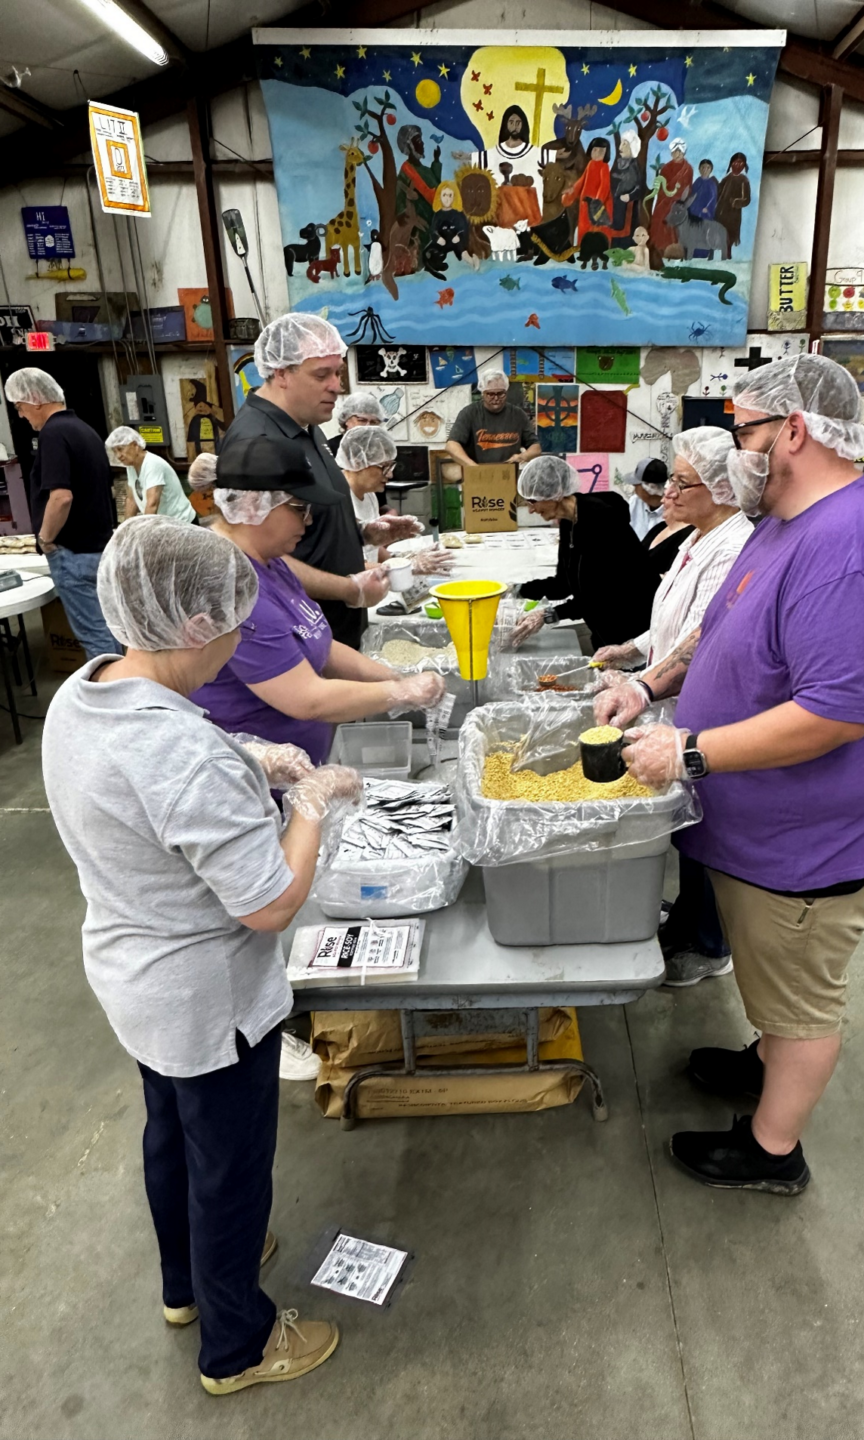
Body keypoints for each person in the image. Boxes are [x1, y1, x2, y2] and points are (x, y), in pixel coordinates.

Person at [41, 514, 360, 1394]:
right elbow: (269, 902)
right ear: (193, 627)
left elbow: (163, 767)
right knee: (230, 1172)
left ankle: (187, 1284)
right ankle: (239, 1345)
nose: (238, 646)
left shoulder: (89, 687)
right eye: (232, 625)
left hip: (132, 977)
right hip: (207, 999)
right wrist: (313, 804)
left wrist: (253, 756)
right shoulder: (179, 750)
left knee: (172, 1141)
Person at [609, 355, 864, 1196]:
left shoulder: (851, 549)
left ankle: (773, 1150)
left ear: (794, 429)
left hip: (811, 846)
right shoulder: (784, 522)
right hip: (762, 831)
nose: (733, 452)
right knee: (772, 985)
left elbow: (835, 713)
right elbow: (715, 634)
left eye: (744, 430)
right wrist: (648, 685)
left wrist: (688, 751)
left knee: (801, 999)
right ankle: (766, 1059)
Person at [594, 429, 753, 987]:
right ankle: (687, 918)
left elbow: (702, 636)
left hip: (700, 705)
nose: (666, 494)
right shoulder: (694, 536)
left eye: (682, 484)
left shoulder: (733, 547)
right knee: (682, 823)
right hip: (671, 696)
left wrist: (640, 685)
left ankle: (711, 944)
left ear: (724, 491)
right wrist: (634, 648)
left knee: (704, 825)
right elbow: (672, 620)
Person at [192, 435, 445, 766]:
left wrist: (394, 678)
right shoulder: (232, 588)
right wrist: (401, 693)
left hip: (309, 766)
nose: (309, 521)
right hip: (264, 782)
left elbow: (319, 644)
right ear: (254, 506)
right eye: (300, 508)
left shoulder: (273, 563)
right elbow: (307, 699)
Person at [220, 314, 387, 648]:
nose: (337, 386)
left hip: (337, 630)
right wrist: (348, 589)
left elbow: (312, 519)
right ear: (281, 373)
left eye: (337, 372)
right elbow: (255, 555)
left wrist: (361, 532)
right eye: (322, 375)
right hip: (299, 641)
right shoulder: (258, 441)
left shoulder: (306, 423)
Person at [3, 367, 120, 658]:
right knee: (110, 631)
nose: (21, 415)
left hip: (74, 554)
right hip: (99, 548)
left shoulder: (53, 434)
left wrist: (44, 539)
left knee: (96, 640)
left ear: (35, 399)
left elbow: (61, 497)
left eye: (20, 407)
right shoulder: (85, 430)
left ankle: (111, 699)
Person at [511, 455, 660, 651]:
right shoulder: (568, 521)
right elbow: (563, 584)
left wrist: (550, 615)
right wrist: (516, 590)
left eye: (532, 501)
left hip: (635, 630)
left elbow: (602, 595)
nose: (531, 510)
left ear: (554, 494)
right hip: (604, 631)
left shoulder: (602, 520)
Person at [337, 425, 452, 575]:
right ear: (358, 462)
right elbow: (352, 566)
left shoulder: (369, 495)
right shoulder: (339, 499)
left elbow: (372, 550)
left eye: (391, 466)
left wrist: (402, 558)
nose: (390, 475)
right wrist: (407, 566)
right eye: (384, 467)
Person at [445, 368, 541, 467]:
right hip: (476, 477)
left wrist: (522, 456)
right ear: (483, 393)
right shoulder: (469, 413)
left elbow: (536, 447)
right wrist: (474, 468)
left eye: (500, 393)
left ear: (506, 392)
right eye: (490, 394)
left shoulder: (518, 415)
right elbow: (451, 445)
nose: (496, 398)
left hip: (508, 476)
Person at [106, 426, 196, 524]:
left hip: (182, 523)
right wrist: (125, 529)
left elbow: (152, 504)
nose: (118, 456)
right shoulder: (131, 466)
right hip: (165, 525)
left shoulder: (152, 464)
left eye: (121, 449)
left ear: (135, 445)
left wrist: (146, 531)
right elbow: (132, 500)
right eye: (115, 452)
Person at [395, 125, 442, 250]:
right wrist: (404, 215)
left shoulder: (426, 170)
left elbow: (436, 186)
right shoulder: (406, 171)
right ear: (409, 146)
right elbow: (399, 197)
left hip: (434, 220)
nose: (423, 145)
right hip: (419, 226)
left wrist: (436, 161)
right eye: (418, 142)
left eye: (422, 141)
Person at [561, 137, 613, 243]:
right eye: (595, 150)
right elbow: (582, 181)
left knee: (597, 229)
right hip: (585, 203)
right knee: (584, 226)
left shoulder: (604, 167)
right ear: (590, 150)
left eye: (601, 151)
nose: (597, 153)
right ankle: (584, 248)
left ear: (606, 153)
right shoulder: (590, 164)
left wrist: (598, 201)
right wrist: (573, 190)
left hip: (598, 206)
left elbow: (605, 186)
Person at [649, 137, 692, 254]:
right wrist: (666, 195)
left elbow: (688, 187)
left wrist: (680, 199)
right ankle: (659, 248)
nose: (677, 154)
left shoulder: (688, 169)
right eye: (674, 152)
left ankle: (675, 250)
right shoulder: (666, 168)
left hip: (678, 202)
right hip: (664, 201)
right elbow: (662, 186)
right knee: (660, 220)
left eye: (679, 152)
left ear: (683, 152)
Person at [326, 390, 386, 459]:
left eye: (373, 422)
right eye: (362, 420)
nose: (368, 426)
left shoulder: (381, 449)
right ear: (346, 420)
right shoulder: (329, 449)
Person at [716, 152, 751, 260]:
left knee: (730, 235)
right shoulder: (727, 178)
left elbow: (747, 199)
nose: (737, 165)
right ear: (731, 164)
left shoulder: (744, 180)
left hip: (733, 214)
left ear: (744, 165)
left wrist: (736, 202)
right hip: (721, 211)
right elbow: (718, 191)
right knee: (720, 233)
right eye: (735, 162)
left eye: (740, 163)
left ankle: (728, 255)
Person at [610, 132, 643, 239]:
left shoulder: (634, 167)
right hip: (612, 205)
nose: (621, 147)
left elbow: (639, 188)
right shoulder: (618, 164)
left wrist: (629, 196)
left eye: (625, 144)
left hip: (625, 209)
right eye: (621, 143)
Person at [627, 457, 667, 541]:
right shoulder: (634, 502)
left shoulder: (674, 510)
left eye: (636, 484)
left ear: (649, 488)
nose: (634, 487)